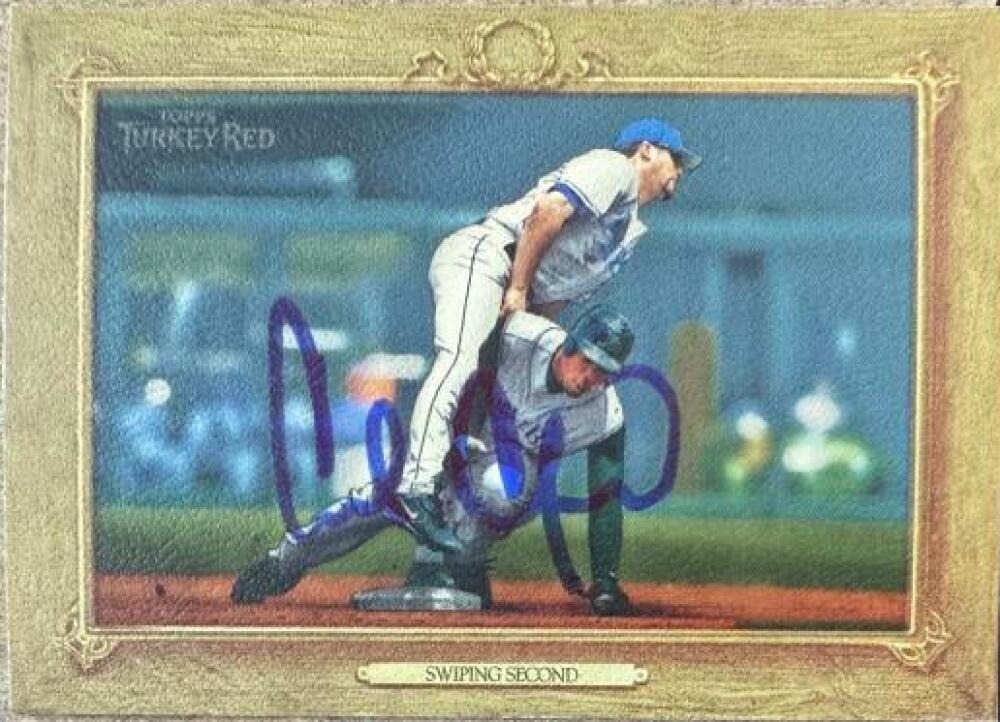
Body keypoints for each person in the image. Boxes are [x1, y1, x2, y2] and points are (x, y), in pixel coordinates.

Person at [397, 118, 700, 555]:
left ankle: (449, 552)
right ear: (647, 150)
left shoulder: (627, 230)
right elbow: (548, 211)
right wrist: (518, 288)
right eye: (676, 158)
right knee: (459, 361)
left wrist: (521, 326)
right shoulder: (614, 168)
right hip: (488, 256)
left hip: (512, 284)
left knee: (481, 420)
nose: (681, 170)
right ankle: (415, 487)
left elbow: (556, 296)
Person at [231, 305, 636, 616]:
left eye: (604, 372)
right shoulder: (518, 335)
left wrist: (605, 580)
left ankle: (461, 565)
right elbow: (454, 369)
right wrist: (448, 441)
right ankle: (289, 558)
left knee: (501, 488)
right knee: (388, 496)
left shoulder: (603, 413)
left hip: (509, 471)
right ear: (569, 345)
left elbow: (606, 495)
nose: (591, 378)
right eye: (587, 362)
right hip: (457, 433)